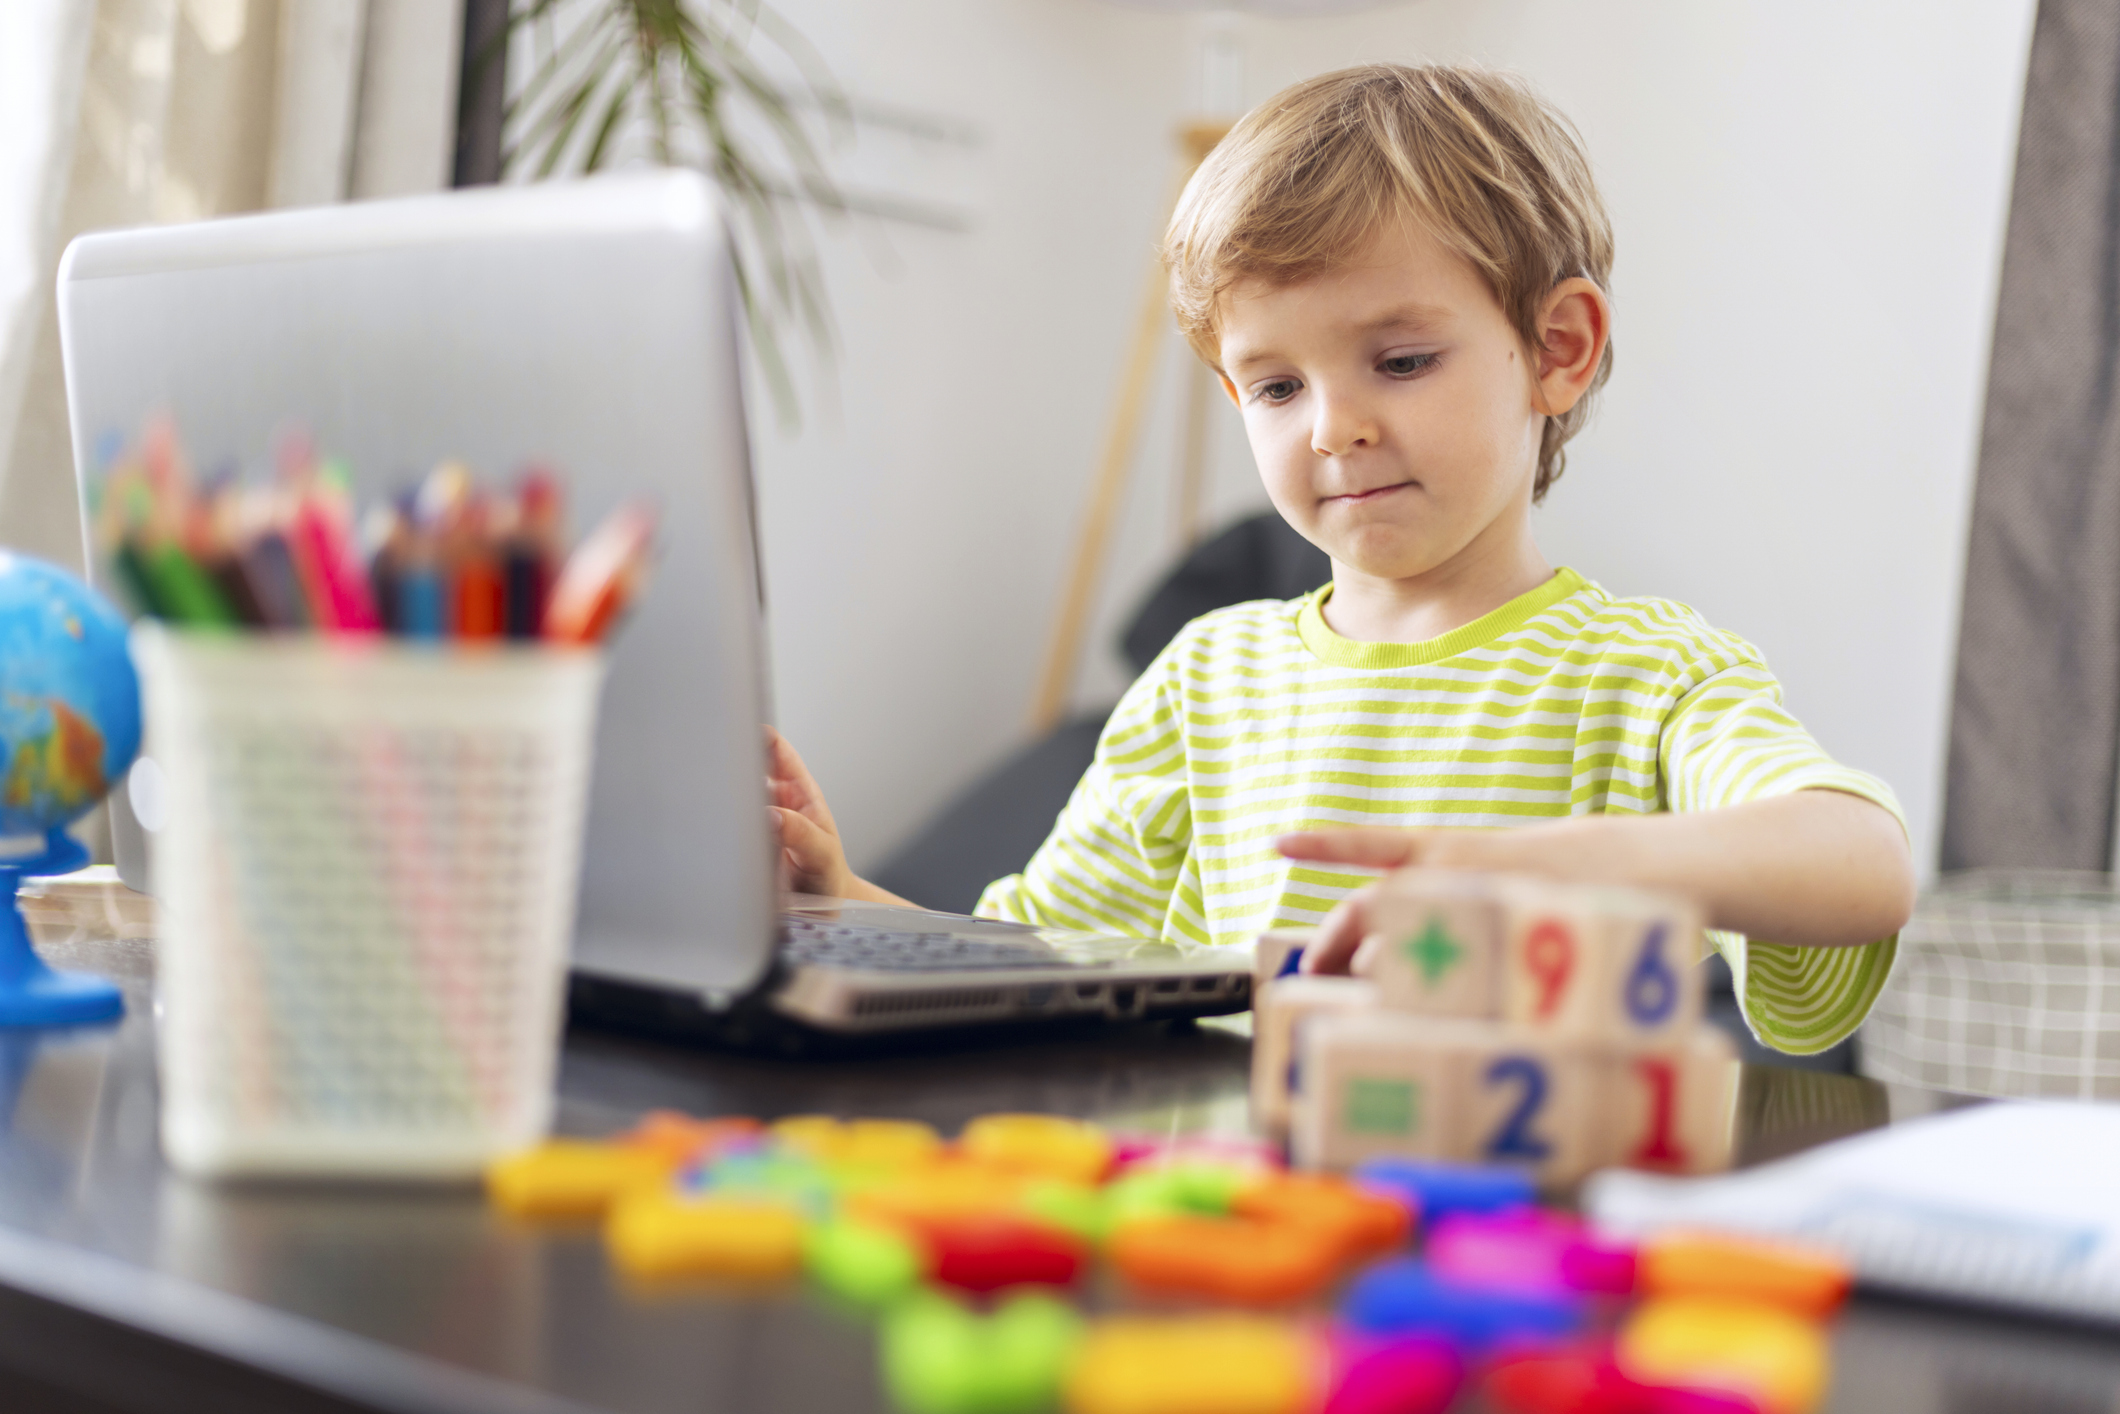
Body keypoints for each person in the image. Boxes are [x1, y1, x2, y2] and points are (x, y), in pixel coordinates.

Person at [768, 62, 1915, 1056]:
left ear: (1555, 350)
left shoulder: (1647, 674)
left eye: (1400, 361)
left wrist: (1569, 865)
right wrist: (841, 895)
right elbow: (1035, 959)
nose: (1331, 428)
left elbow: (1863, 863)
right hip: (1237, 1202)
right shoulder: (1203, 678)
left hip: (1503, 1218)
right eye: (1276, 386)